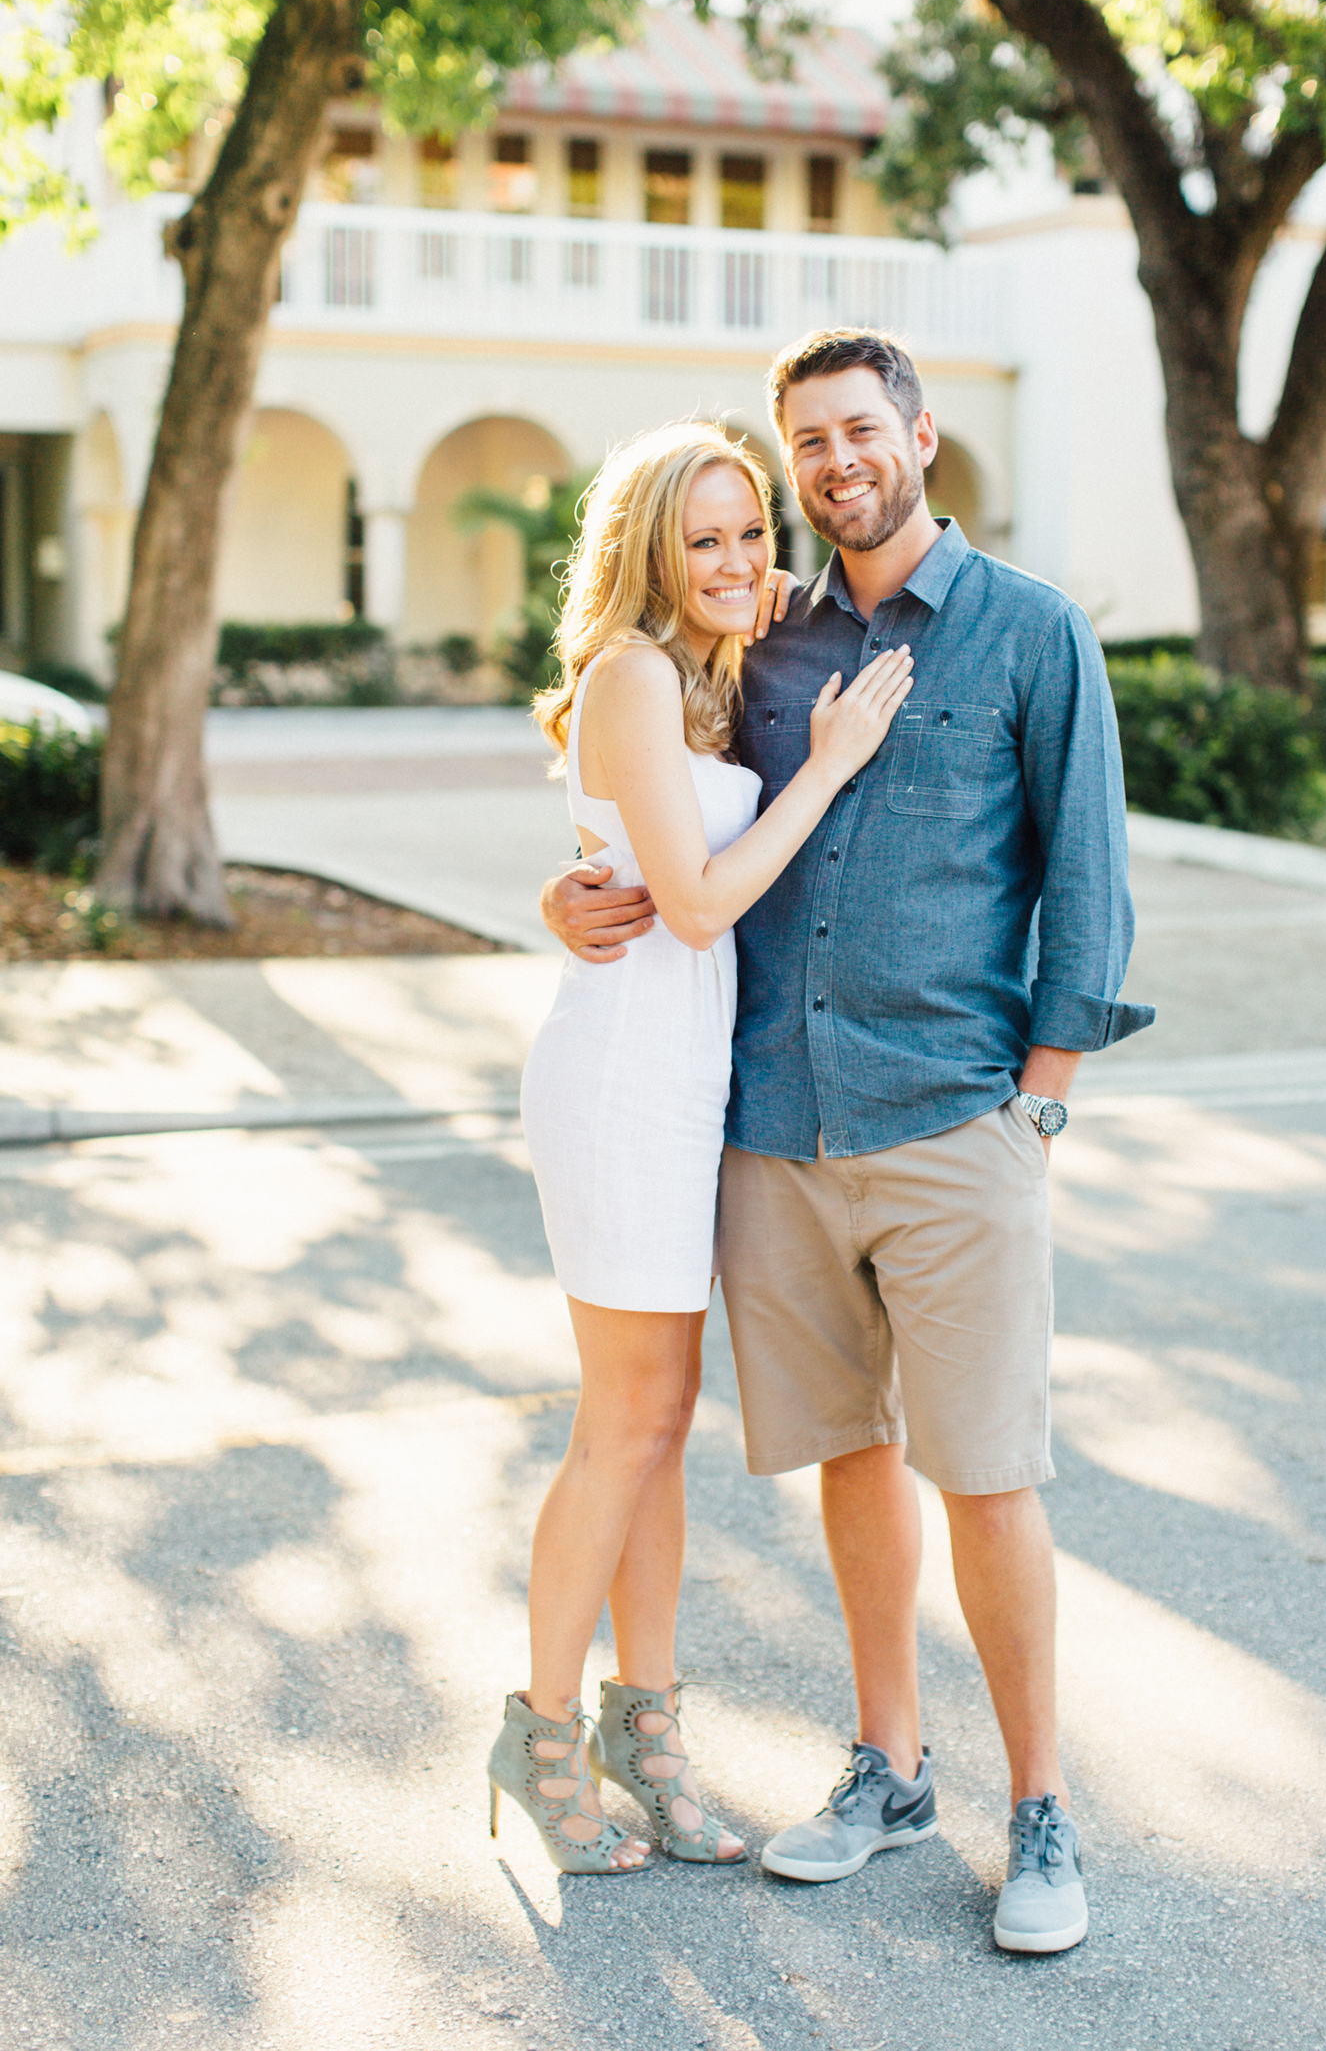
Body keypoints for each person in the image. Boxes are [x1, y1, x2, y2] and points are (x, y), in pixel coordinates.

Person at [541, 332, 1154, 1947]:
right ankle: (891, 1764)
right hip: (773, 1124)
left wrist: (1042, 1103)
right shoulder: (767, 640)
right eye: (806, 439)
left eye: (859, 428)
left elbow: (1089, 885)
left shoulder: (1033, 634)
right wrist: (563, 892)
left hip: (956, 1118)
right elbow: (654, 805)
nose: (833, 462)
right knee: (852, 1459)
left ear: (921, 434)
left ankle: (1042, 1810)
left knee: (992, 1473)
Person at [489, 418, 914, 1876]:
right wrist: (834, 760)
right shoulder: (629, 674)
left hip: (688, 1086)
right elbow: (689, 902)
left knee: (660, 1426)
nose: (737, 561)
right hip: (619, 1079)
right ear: (648, 549)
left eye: (751, 532)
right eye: (705, 539)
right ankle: (540, 1733)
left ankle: (644, 1731)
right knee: (622, 1426)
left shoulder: (712, 669)